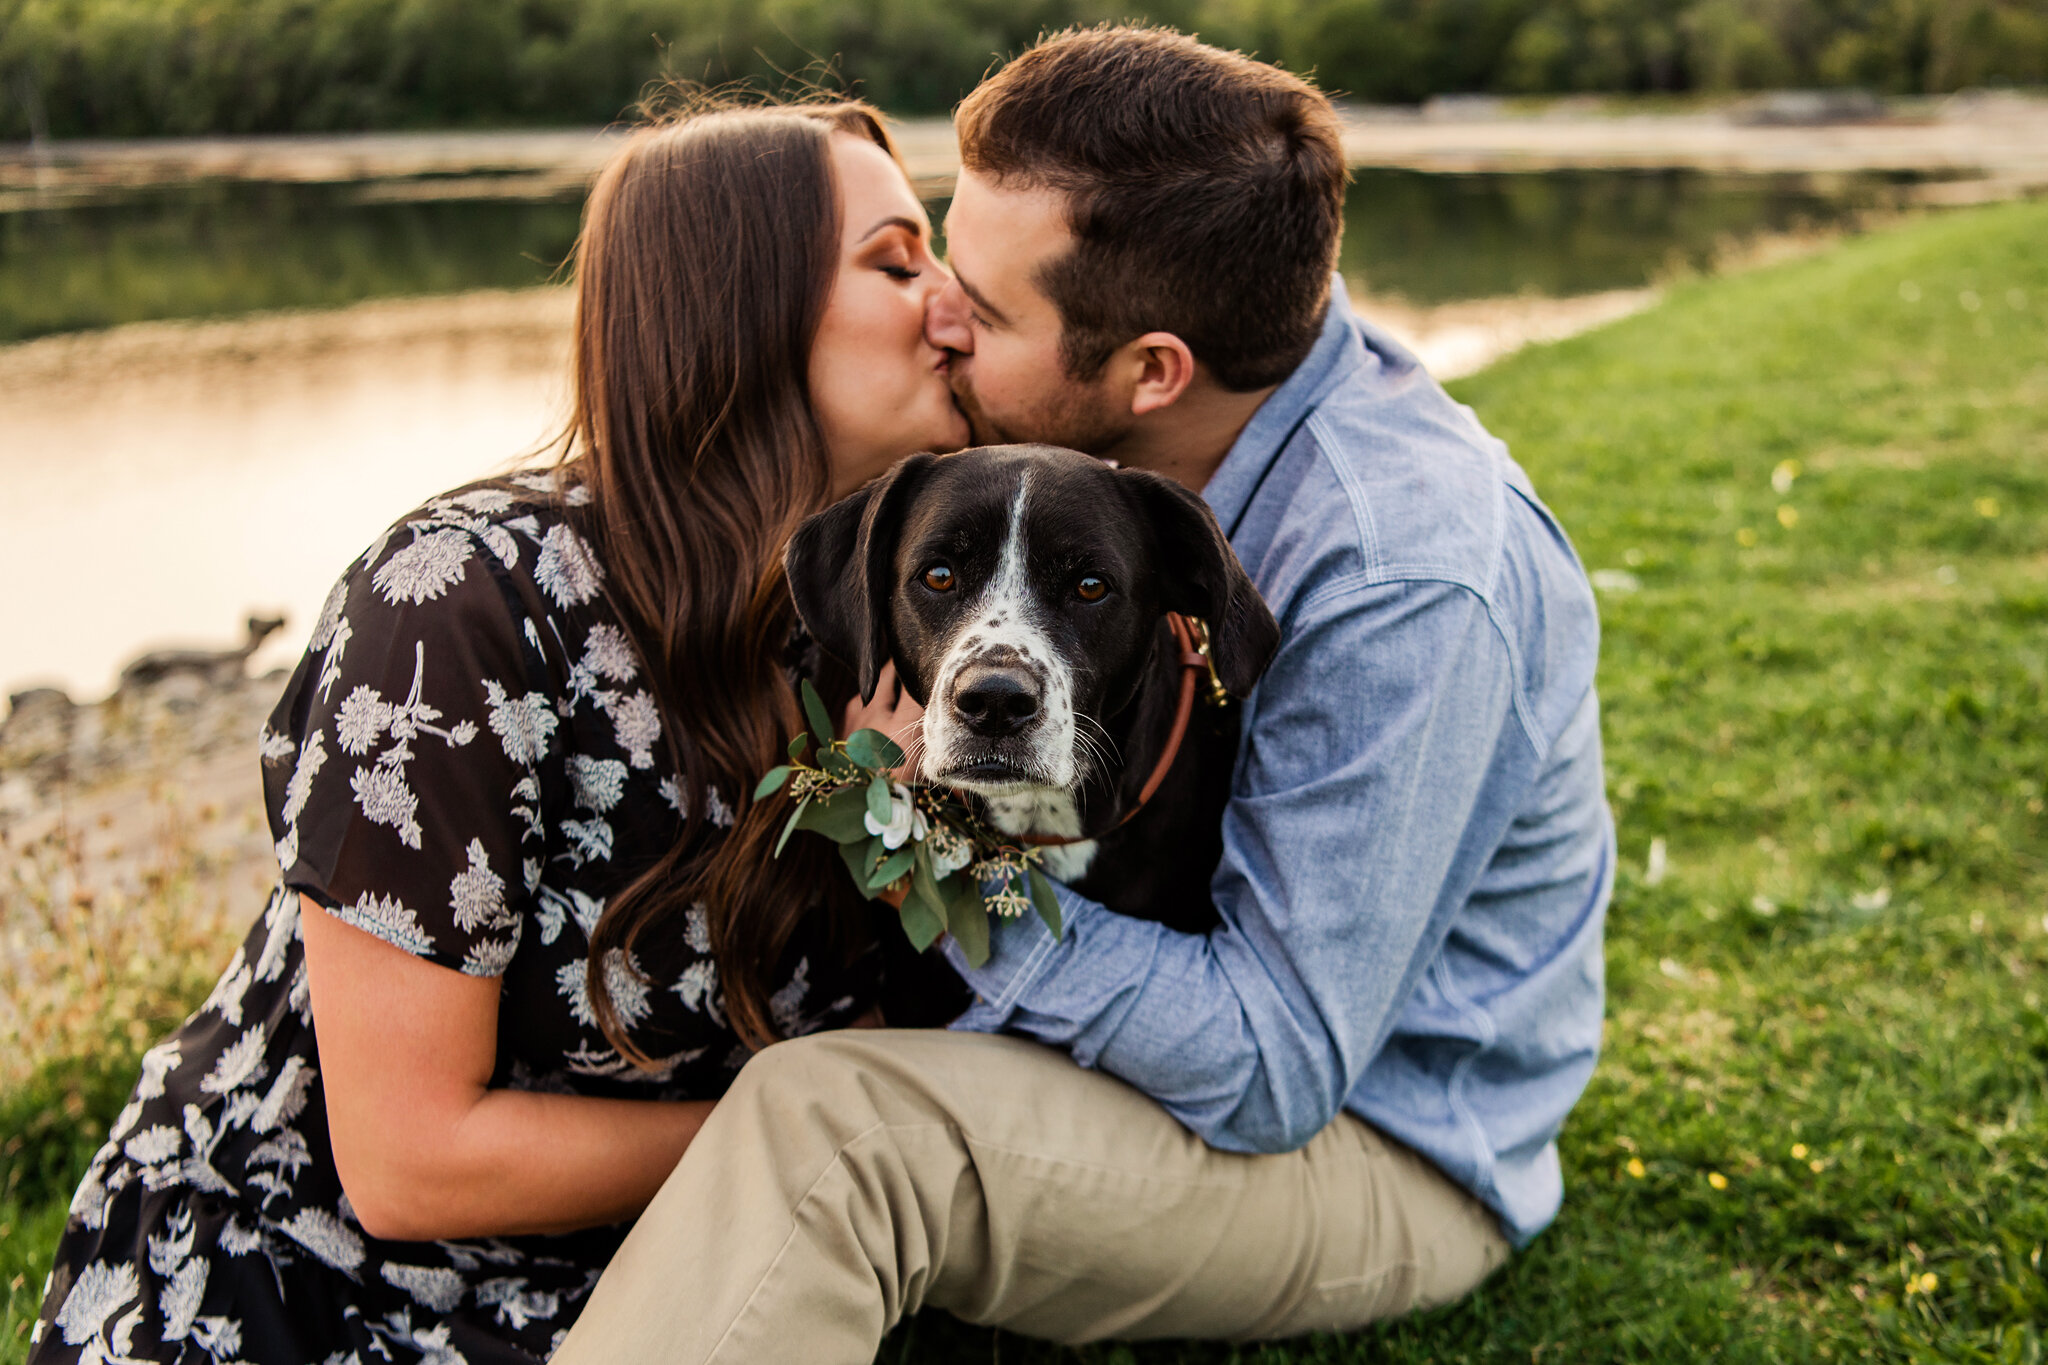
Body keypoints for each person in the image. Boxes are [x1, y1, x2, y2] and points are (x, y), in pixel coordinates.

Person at [553, 24, 1612, 1364]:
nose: (936, 312)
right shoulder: (1223, 384)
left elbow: (1273, 1066)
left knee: (835, 1130)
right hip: (1182, 1072)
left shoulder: (1405, 572)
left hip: (1387, 1149)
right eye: (937, 258)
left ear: (1150, 368)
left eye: (984, 312)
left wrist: (931, 852)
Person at [28, 99, 969, 1364]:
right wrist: (812, 1137)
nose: (953, 302)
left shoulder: (893, 625)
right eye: (898, 261)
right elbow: (413, 1162)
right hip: (310, 1295)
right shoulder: (461, 603)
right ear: (740, 305)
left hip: (689, 1278)